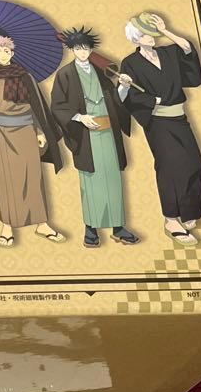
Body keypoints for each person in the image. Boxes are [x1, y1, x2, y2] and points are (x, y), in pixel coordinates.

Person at [0, 35, 65, 247]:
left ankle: (41, 223)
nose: (2, 55)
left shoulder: (24, 76)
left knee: (34, 176)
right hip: (2, 133)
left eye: (6, 51)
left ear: (12, 53)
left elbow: (36, 107)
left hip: (27, 131)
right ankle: (7, 227)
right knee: (7, 180)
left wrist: (39, 132)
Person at [120, 12, 201, 244]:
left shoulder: (168, 52)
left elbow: (187, 49)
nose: (151, 37)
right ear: (136, 38)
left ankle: (189, 210)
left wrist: (166, 30)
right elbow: (129, 97)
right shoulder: (130, 63)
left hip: (180, 118)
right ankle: (170, 219)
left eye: (152, 33)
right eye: (145, 34)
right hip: (157, 122)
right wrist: (151, 100)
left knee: (194, 162)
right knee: (169, 167)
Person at [50, 28, 139, 248]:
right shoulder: (65, 74)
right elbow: (58, 106)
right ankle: (91, 229)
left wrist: (124, 87)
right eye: (78, 48)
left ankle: (118, 227)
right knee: (90, 182)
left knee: (113, 179)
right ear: (71, 49)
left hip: (108, 133)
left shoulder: (101, 71)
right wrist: (80, 117)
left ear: (91, 50)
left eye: (86, 48)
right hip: (85, 135)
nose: (83, 52)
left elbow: (114, 101)